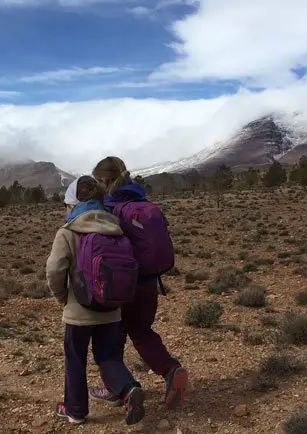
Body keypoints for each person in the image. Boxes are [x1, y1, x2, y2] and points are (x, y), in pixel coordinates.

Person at [90, 156, 189, 410]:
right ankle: (170, 370)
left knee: (110, 339)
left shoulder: (108, 209)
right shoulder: (142, 203)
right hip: (148, 283)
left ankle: (119, 388)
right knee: (142, 331)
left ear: (103, 180)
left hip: (121, 287)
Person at [46, 176, 146, 426]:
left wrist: (62, 298)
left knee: (75, 359)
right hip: (111, 308)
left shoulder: (68, 231)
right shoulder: (116, 228)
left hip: (79, 312)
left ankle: (75, 410)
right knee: (109, 356)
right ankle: (128, 389)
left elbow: (55, 270)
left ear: (75, 203)